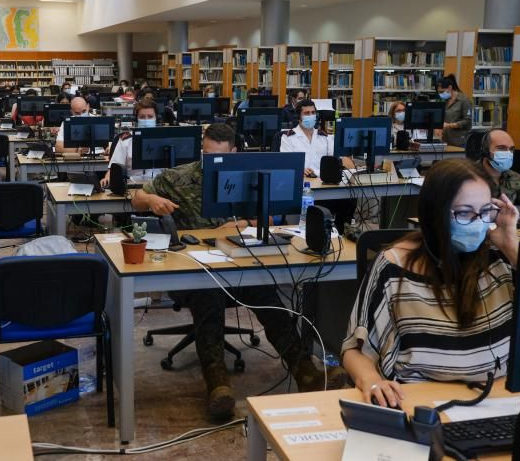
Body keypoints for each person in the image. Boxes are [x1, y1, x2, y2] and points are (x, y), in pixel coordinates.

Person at [131, 123, 346, 419]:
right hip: (193, 271)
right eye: (206, 155)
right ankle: (218, 385)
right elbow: (136, 198)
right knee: (209, 297)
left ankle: (305, 371)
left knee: (268, 294)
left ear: (234, 152)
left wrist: (246, 223)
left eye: (219, 156)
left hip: (239, 263)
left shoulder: (249, 176)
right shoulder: (180, 177)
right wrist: (152, 200)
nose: (211, 162)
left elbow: (268, 217)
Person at [342, 159, 519, 408]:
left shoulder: (500, 259)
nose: (479, 222)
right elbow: (355, 350)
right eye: (465, 213)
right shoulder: (394, 266)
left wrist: (512, 248)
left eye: (486, 211)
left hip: (499, 397)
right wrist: (372, 381)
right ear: (434, 214)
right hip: (418, 400)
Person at [279, 99, 355, 232]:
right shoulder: (288, 138)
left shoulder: (325, 137)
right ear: (299, 117)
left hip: (325, 185)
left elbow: (346, 161)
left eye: (313, 112)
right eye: (306, 113)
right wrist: (299, 170)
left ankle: (341, 232)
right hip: (305, 188)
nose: (311, 116)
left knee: (350, 197)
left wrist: (341, 161)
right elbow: (286, 165)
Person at [100, 100, 162, 187]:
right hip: (132, 185)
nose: (146, 120)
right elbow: (114, 167)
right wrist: (107, 178)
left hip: (159, 185)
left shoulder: (165, 138)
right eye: (142, 117)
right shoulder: (126, 139)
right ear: (136, 119)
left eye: (150, 116)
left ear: (157, 118)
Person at [437, 74, 472, 147]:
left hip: (459, 142)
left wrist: (449, 125)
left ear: (449, 88)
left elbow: (467, 122)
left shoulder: (464, 100)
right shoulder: (445, 101)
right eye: (439, 92)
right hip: (445, 140)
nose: (440, 94)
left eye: (442, 92)